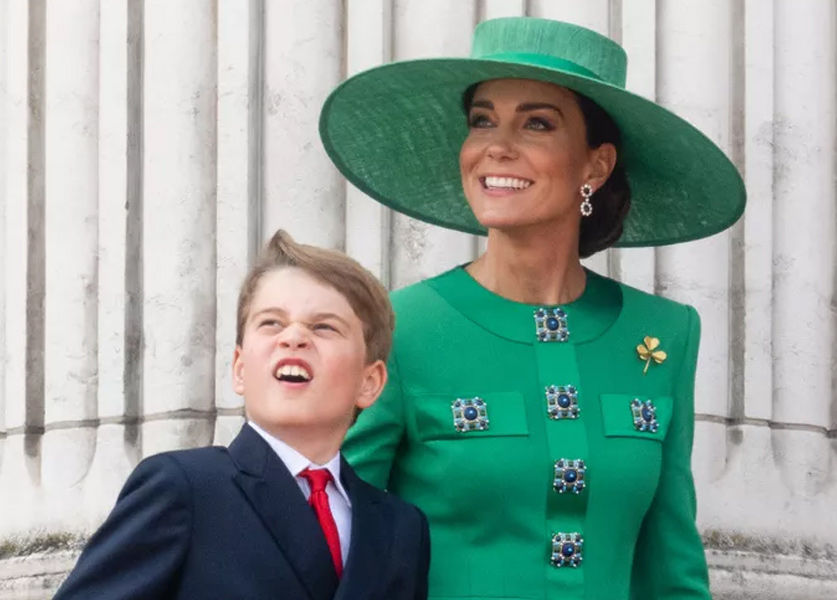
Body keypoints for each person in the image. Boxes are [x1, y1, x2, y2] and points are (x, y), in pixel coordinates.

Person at [319, 16, 745, 600]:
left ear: (595, 164)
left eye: (537, 123)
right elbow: (337, 545)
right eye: (482, 121)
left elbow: (669, 566)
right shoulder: (399, 329)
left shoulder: (665, 335)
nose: (497, 146)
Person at [52, 230, 431, 600]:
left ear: (370, 381)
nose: (293, 337)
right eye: (272, 323)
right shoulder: (183, 488)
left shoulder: (400, 528)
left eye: (323, 326)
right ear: (240, 368)